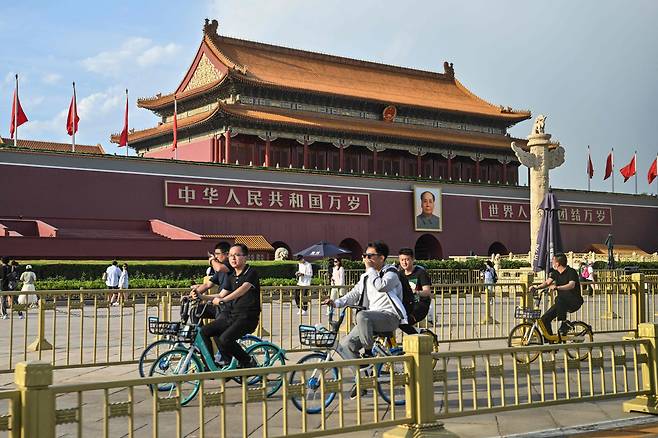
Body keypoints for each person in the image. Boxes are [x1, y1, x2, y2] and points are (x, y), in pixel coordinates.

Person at [322, 240, 407, 399]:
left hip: (389, 317)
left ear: (381, 258)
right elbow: (353, 294)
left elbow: (381, 286)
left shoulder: (391, 273)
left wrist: (370, 270)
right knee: (346, 346)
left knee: (362, 315)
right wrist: (336, 302)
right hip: (370, 319)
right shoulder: (366, 276)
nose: (365, 258)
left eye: (370, 256)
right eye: (364, 255)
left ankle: (368, 354)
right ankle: (363, 380)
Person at [190, 243, 259, 369]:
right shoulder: (232, 277)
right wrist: (201, 297)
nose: (233, 258)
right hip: (232, 316)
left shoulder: (251, 273)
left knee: (225, 339)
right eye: (231, 255)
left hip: (247, 318)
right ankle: (211, 365)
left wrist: (223, 300)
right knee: (204, 332)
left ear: (245, 257)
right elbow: (221, 295)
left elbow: (242, 290)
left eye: (237, 255)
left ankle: (248, 362)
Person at [530, 253, 584, 336]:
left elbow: (571, 285)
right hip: (561, 303)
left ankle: (564, 323)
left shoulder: (571, 272)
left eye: (553, 261)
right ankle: (551, 342)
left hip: (574, 301)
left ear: (557, 263)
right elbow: (547, 282)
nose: (552, 263)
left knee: (558, 299)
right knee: (545, 319)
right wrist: (536, 288)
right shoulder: (555, 273)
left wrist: (557, 287)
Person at [397, 248, 432, 332]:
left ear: (413, 259)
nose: (404, 262)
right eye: (402, 260)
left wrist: (416, 292)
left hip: (420, 305)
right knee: (394, 320)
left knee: (405, 321)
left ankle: (420, 333)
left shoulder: (420, 272)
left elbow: (427, 292)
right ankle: (420, 333)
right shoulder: (399, 274)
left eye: (407, 259)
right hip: (406, 305)